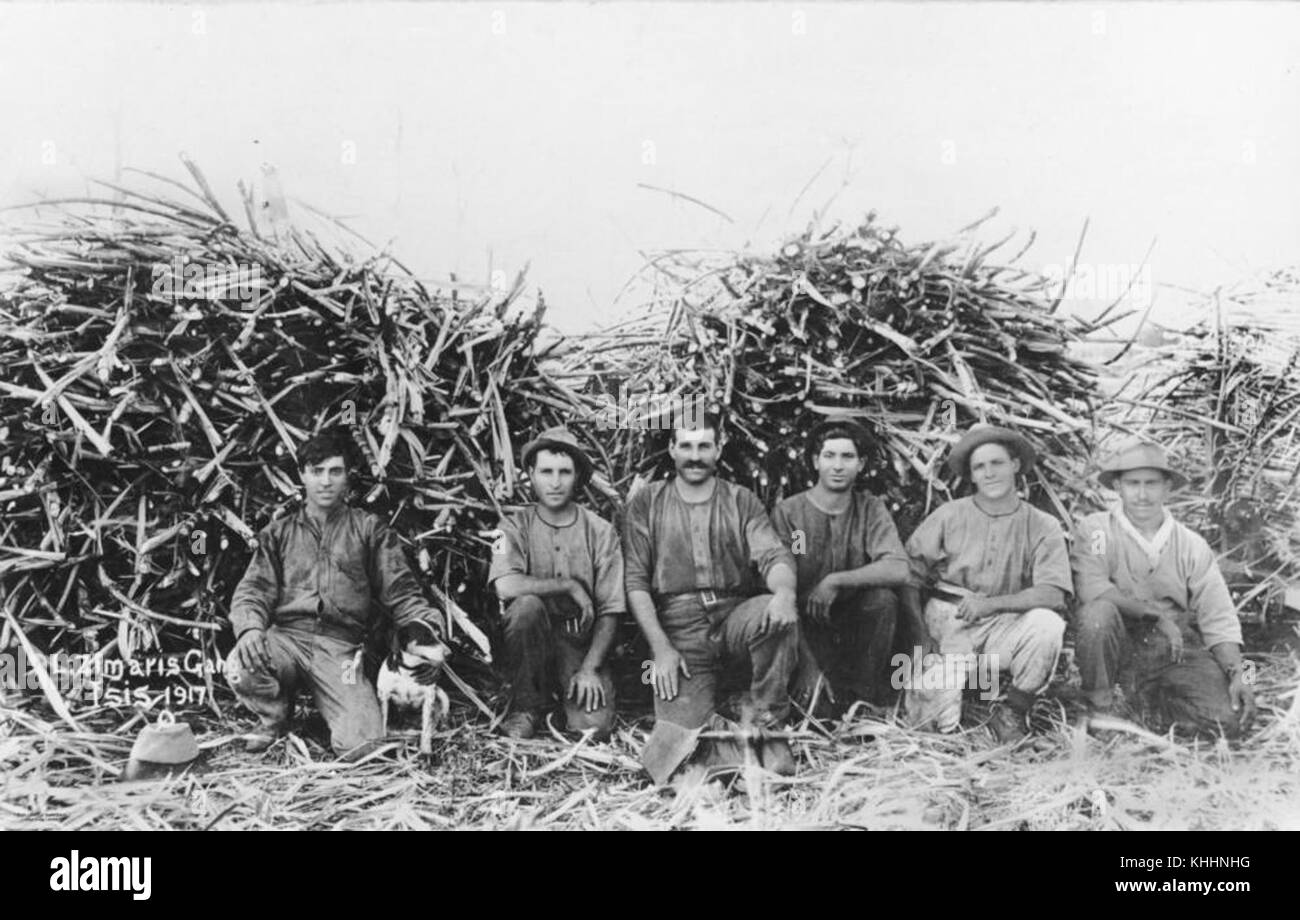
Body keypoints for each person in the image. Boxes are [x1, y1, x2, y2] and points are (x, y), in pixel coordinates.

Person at [226, 428, 444, 756]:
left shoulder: (369, 529)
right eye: (316, 472)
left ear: (347, 477)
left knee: (363, 747)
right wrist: (250, 629)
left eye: (335, 471)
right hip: (285, 640)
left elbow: (403, 593)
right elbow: (253, 590)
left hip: (340, 650)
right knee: (240, 664)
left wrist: (428, 633)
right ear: (302, 475)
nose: (325, 482)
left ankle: (335, 709)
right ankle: (274, 718)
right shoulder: (278, 533)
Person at [623, 413, 800, 782]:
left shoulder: (741, 500)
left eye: (704, 445)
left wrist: (784, 592)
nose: (695, 455)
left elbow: (773, 556)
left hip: (735, 614)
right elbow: (636, 582)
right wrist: (661, 649)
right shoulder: (648, 502)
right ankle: (736, 739)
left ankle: (768, 721)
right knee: (670, 756)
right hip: (680, 627)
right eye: (685, 445)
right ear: (672, 449)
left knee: (774, 611)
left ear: (718, 449)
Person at [1071, 439, 1256, 738]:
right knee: (1097, 614)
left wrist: (1243, 675)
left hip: (1174, 648)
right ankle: (1101, 708)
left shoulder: (1191, 545)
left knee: (1229, 721)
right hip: (1119, 642)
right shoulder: (1098, 531)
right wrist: (1155, 616)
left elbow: (1219, 618)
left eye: (1152, 484)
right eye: (1133, 483)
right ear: (1118, 486)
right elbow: (1092, 586)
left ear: (1167, 487)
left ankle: (1151, 708)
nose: (1142, 494)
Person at [902, 425, 1071, 742]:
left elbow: (1053, 593)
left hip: (1004, 622)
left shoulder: (1042, 524)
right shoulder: (949, 515)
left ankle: (1014, 711)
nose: (990, 473)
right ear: (971, 475)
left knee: (1047, 625)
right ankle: (963, 693)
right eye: (980, 467)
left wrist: (992, 604)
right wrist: (920, 635)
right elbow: (908, 577)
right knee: (930, 729)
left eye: (998, 463)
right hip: (948, 621)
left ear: (1015, 466)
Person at [489, 426, 625, 740]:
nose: (554, 482)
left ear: (577, 477)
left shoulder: (601, 531)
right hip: (529, 641)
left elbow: (611, 609)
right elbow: (504, 587)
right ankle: (524, 705)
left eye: (564, 472)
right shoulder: (510, 526)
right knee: (526, 606)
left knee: (595, 727)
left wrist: (590, 668)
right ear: (531, 475)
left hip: (578, 643)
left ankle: (564, 700)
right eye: (546, 471)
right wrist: (567, 586)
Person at [770, 417, 910, 710]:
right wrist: (807, 665)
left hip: (853, 624)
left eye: (847, 457)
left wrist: (836, 580)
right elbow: (778, 593)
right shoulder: (790, 514)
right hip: (804, 628)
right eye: (829, 455)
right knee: (818, 713)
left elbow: (898, 567)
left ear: (860, 464)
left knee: (883, 601)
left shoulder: (870, 509)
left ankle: (864, 700)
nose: (837, 465)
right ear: (815, 461)